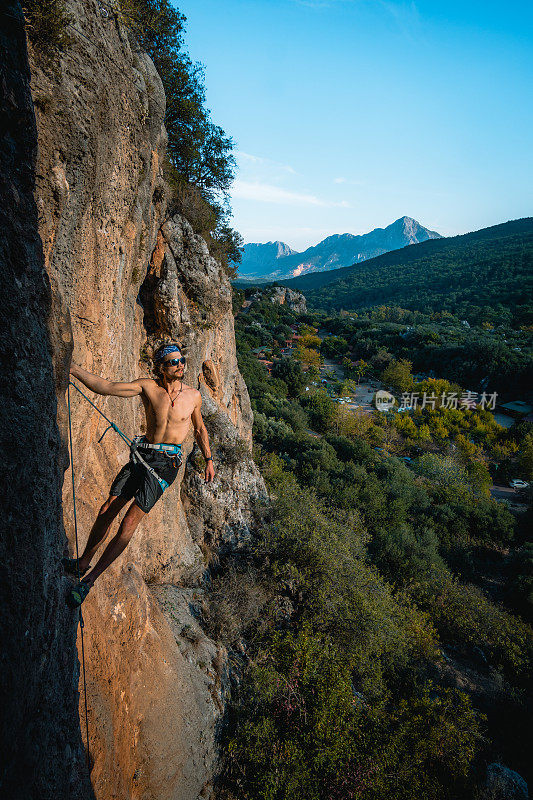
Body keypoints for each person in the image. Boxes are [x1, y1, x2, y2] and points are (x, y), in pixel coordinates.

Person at [64, 343, 215, 607]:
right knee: (107, 509)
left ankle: (88, 582)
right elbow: (108, 387)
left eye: (181, 360)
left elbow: (200, 430)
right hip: (143, 454)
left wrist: (209, 460)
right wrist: (72, 369)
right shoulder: (148, 387)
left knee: (129, 523)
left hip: (167, 463)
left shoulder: (193, 396)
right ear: (161, 366)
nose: (179, 365)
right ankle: (83, 563)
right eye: (172, 362)